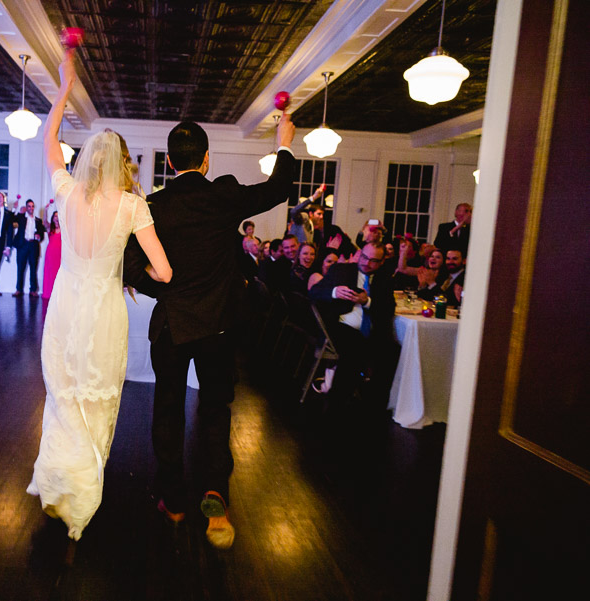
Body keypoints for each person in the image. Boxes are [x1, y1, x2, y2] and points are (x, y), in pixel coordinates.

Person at [124, 110, 297, 550]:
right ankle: (215, 495)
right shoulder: (224, 196)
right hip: (219, 325)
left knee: (167, 408)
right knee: (216, 408)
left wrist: (159, 287)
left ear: (169, 161)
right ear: (205, 161)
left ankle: (174, 499)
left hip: (172, 324)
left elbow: (126, 264)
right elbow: (278, 189)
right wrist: (284, 141)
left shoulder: (154, 206)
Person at [27, 50, 172, 542]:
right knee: (97, 405)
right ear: (124, 164)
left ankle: (56, 490)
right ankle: (83, 495)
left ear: (88, 161)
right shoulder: (133, 205)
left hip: (65, 305)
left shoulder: (66, 192)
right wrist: (131, 272)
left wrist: (66, 85)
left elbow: (49, 140)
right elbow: (165, 271)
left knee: (62, 398)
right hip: (106, 309)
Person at [309, 242, 397, 413]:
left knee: (392, 351)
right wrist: (334, 292)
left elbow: (388, 308)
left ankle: (373, 404)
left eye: (373, 260)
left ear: (381, 262)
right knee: (355, 348)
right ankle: (336, 403)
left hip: (371, 330)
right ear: (360, 254)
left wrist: (368, 302)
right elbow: (314, 292)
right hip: (340, 325)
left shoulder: (384, 278)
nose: (366, 263)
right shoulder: (341, 270)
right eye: (364, 257)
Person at [12, 199, 47, 297]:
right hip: (22, 245)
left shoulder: (38, 220)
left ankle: (33, 290)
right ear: (26, 207)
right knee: (20, 268)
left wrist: (39, 236)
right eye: (29, 206)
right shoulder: (21, 217)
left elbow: (42, 235)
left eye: (32, 206)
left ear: (33, 208)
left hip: (33, 246)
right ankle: (19, 289)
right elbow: (12, 219)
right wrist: (15, 208)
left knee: (33, 268)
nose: (31, 208)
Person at [41, 211, 61, 299]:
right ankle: (49, 293)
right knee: (50, 273)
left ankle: (59, 293)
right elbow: (44, 221)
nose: (56, 218)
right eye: (55, 216)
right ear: (53, 218)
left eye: (58, 216)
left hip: (60, 253)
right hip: (50, 253)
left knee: (59, 273)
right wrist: (46, 210)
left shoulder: (64, 229)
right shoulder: (50, 228)